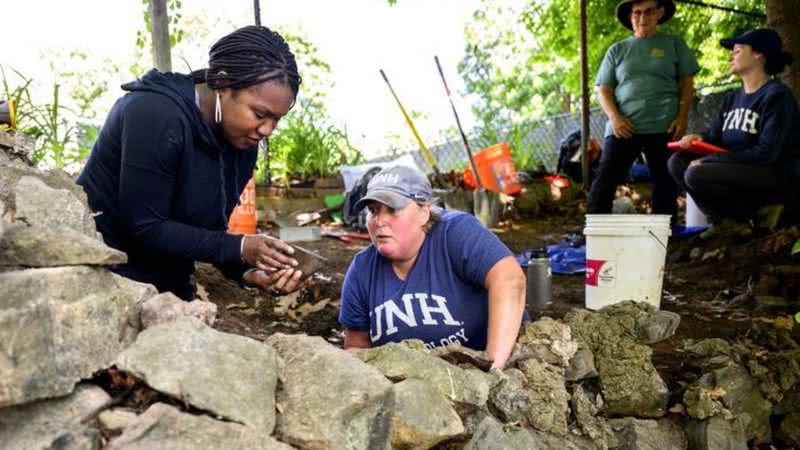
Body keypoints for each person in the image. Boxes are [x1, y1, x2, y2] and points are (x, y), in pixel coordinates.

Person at [77, 26, 306, 301]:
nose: (267, 130)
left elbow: (208, 233)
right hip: (104, 277)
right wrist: (241, 246)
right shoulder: (156, 113)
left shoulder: (242, 141)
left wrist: (247, 272)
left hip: (170, 279)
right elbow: (145, 225)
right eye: (259, 114)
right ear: (222, 86)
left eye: (276, 120)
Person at [338, 165, 526, 369]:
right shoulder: (362, 270)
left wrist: (493, 370)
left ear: (424, 212)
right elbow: (357, 348)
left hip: (486, 371)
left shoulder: (455, 233)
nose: (380, 221)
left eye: (392, 209)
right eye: (373, 210)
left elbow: (509, 279)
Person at [669, 29, 799, 234]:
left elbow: (768, 153)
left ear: (758, 54)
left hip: (775, 175)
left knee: (696, 172)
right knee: (677, 162)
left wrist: (711, 162)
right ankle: (727, 222)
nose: (731, 55)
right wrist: (698, 138)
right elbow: (715, 138)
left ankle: (759, 214)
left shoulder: (777, 96)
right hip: (737, 171)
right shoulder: (732, 98)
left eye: (737, 50)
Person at [588, 0, 699, 222]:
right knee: (604, 178)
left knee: (665, 180)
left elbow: (687, 84)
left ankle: (664, 235)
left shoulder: (674, 44)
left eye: (648, 11)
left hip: (664, 124)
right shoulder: (617, 50)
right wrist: (615, 117)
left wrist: (682, 116)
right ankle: (594, 232)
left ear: (659, 13)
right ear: (631, 17)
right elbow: (604, 90)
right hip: (623, 127)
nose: (642, 17)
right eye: (637, 13)